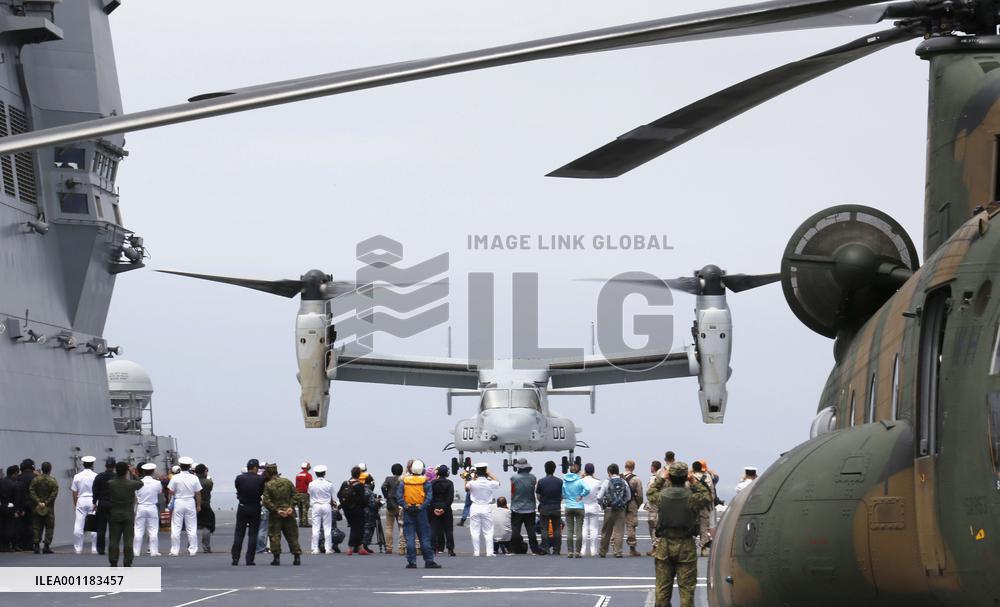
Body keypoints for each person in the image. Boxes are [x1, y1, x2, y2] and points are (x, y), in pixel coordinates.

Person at [651, 461, 712, 607]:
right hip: (686, 545)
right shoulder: (692, 497)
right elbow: (706, 495)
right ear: (686, 477)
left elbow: (651, 491)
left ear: (670, 477)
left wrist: (662, 478)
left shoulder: (661, 496)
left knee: (662, 590)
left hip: (665, 545)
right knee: (687, 591)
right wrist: (693, 481)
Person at [396, 459, 440, 569]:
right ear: (422, 470)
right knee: (424, 537)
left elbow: (399, 497)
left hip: (408, 511)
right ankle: (429, 560)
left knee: (410, 537)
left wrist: (407, 507)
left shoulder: (404, 482)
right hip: (421, 512)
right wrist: (421, 507)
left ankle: (412, 562)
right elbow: (429, 497)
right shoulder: (426, 482)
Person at [262, 463, 301, 565]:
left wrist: (276, 510)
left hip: (276, 515)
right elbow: (296, 495)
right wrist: (290, 507)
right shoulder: (287, 482)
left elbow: (266, 501)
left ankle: (276, 558)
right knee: (292, 535)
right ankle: (297, 557)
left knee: (275, 536)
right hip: (289, 513)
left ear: (268, 473)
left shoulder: (268, 485)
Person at [106, 461, 143, 567]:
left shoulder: (110, 483)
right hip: (128, 514)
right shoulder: (131, 484)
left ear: (116, 470)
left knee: (114, 539)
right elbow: (141, 483)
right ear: (126, 471)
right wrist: (133, 473)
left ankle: (113, 561)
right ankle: (127, 561)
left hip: (114, 514)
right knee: (128, 539)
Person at [166, 456, 202, 556]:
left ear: (180, 466)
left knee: (176, 527)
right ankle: (193, 550)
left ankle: (174, 550)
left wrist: (170, 504)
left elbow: (170, 492)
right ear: (190, 466)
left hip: (178, 502)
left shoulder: (175, 477)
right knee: (191, 527)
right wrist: (198, 505)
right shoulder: (194, 478)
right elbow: (198, 493)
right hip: (190, 501)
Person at [232, 459, 266, 566]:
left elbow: (238, 489)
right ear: (255, 468)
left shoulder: (239, 478)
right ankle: (250, 559)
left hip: (242, 506)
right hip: (255, 507)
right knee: (253, 534)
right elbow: (261, 492)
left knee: (239, 533)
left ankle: (235, 558)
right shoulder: (260, 479)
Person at [509, 458, 545, 555]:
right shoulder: (533, 478)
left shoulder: (513, 478)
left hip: (517, 508)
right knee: (531, 530)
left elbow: (512, 492)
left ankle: (513, 549)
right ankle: (534, 549)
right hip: (530, 508)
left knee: (516, 530)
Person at [465, 463, 500, 557]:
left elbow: (466, 488)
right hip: (486, 507)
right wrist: (490, 474)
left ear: (476, 471)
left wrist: (471, 477)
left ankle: (476, 552)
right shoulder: (489, 482)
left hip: (475, 507)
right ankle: (489, 552)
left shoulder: (473, 482)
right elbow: (498, 483)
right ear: (485, 471)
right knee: (488, 531)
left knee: (474, 531)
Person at [599, 463, 631, 558]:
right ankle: (618, 552)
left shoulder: (606, 482)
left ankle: (603, 551)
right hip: (621, 509)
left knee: (606, 531)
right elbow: (628, 496)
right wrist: (623, 502)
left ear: (609, 472)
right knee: (619, 531)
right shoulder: (624, 482)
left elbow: (599, 496)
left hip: (609, 509)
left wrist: (602, 505)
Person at [338, 466, 370, 555]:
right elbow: (362, 500)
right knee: (356, 528)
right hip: (357, 509)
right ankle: (350, 547)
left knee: (355, 527)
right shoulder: (360, 485)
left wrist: (344, 505)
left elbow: (339, 495)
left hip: (347, 510)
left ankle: (360, 547)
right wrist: (364, 506)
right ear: (359, 474)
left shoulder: (345, 483)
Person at [71, 455, 99, 554]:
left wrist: (75, 504)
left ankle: (78, 548)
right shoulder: (96, 476)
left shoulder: (77, 476)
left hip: (81, 499)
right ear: (92, 464)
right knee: (94, 524)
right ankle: (94, 548)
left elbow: (74, 492)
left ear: (83, 464)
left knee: (78, 524)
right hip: (92, 500)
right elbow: (98, 490)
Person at [28, 461, 58, 554]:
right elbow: (54, 494)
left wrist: (38, 501)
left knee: (37, 527)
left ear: (41, 468)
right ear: (50, 469)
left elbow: (31, 491)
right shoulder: (53, 480)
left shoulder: (35, 480)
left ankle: (36, 546)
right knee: (49, 527)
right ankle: (46, 546)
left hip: (37, 507)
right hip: (49, 509)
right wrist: (46, 502)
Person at [133, 463, 162, 557]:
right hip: (152, 507)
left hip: (141, 507)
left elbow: (135, 495)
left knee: (138, 530)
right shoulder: (157, 483)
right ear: (152, 471)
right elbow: (159, 492)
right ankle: (154, 551)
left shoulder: (138, 482)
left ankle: (136, 551)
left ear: (143, 472)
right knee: (153, 530)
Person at [535, 460, 563, 555]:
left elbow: (538, 495)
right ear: (554, 469)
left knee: (544, 529)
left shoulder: (541, 481)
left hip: (545, 508)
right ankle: (557, 550)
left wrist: (542, 502)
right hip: (556, 508)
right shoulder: (560, 481)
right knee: (556, 529)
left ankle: (546, 549)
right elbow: (562, 495)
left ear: (545, 469)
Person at [561, 463, 589, 558]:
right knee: (579, 530)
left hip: (568, 506)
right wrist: (581, 495)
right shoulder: (580, 481)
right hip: (579, 506)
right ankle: (577, 552)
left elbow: (563, 494)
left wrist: (568, 497)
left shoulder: (565, 481)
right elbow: (587, 489)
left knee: (569, 530)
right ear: (578, 471)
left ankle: (570, 552)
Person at [308, 465, 335, 555]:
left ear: (315, 473)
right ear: (324, 473)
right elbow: (332, 496)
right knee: (327, 528)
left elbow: (310, 494)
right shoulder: (329, 484)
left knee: (315, 528)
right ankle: (328, 548)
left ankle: (315, 548)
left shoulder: (311, 484)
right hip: (326, 505)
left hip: (316, 505)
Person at [691, 460, 715, 556]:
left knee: (692, 526)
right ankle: (704, 548)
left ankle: (691, 548)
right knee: (704, 526)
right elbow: (712, 491)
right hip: (705, 505)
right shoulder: (708, 477)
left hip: (693, 506)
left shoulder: (691, 478)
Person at [430, 465, 455, 556]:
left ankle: (433, 549)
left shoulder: (433, 483)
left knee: (433, 529)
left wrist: (434, 508)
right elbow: (450, 498)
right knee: (448, 530)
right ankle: (450, 549)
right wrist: (444, 508)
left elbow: (430, 497)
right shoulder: (450, 483)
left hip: (434, 509)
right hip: (446, 509)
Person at [91, 457, 114, 555]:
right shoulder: (117, 477)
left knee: (101, 528)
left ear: (105, 465)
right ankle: (112, 548)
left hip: (102, 504)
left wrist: (94, 502)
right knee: (113, 528)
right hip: (113, 504)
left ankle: (100, 549)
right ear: (114, 466)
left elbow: (95, 490)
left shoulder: (99, 476)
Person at [381, 463, 405, 556]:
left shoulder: (389, 479)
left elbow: (383, 487)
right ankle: (401, 547)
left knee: (389, 528)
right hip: (400, 506)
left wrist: (387, 496)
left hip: (390, 505)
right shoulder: (403, 480)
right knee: (401, 528)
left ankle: (389, 547)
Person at [580, 463, 603, 557]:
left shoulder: (581, 481)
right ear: (593, 471)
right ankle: (593, 550)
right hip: (594, 506)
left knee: (584, 528)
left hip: (583, 506)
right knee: (594, 529)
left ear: (585, 471)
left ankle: (583, 549)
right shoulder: (598, 482)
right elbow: (600, 495)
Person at [623, 460, 645, 557]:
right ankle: (632, 549)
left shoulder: (619, 477)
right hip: (631, 504)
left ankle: (616, 548)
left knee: (617, 526)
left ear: (625, 466)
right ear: (633, 467)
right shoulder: (636, 479)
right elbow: (640, 495)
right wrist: (637, 504)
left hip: (620, 505)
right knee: (631, 526)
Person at [195, 464, 215, 553]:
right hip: (205, 505)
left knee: (191, 527)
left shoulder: (193, 481)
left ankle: (190, 546)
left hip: (193, 505)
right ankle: (206, 546)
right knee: (207, 526)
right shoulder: (208, 482)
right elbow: (210, 487)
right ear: (204, 472)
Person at [644, 461, 663, 556]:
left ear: (653, 467)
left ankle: (656, 547)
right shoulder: (662, 477)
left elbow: (649, 491)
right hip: (660, 504)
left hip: (654, 505)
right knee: (657, 525)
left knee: (653, 525)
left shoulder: (653, 478)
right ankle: (655, 547)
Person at [0, 466, 19, 552]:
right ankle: (7, 546)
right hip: (10, 507)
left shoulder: (1, 482)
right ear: (14, 473)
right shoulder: (14, 484)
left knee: (2, 526)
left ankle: (2, 546)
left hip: (2, 506)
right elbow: (16, 499)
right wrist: (16, 510)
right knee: (10, 527)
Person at [294, 462, 312, 528]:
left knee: (300, 508)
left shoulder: (298, 475)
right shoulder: (308, 475)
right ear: (307, 467)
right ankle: (305, 523)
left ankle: (301, 522)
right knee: (305, 508)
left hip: (298, 493)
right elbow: (310, 485)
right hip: (305, 494)